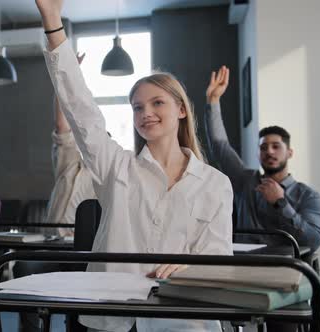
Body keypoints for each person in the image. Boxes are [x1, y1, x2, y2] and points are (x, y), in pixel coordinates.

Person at [34, 1, 234, 331]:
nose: (145, 113)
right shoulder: (116, 166)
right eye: (137, 107)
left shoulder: (214, 183)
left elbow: (217, 257)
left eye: (157, 103)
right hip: (113, 317)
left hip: (183, 318)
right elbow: (80, 110)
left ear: (181, 110)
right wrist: (53, 23)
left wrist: (190, 268)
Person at [204, 66, 320, 252]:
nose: (269, 151)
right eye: (263, 147)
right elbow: (220, 146)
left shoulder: (308, 195)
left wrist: (281, 203)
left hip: (284, 269)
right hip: (242, 265)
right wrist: (213, 101)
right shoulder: (246, 180)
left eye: (276, 146)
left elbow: (313, 240)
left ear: (289, 152)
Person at [45, 52, 97, 238]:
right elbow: (62, 124)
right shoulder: (71, 165)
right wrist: (65, 73)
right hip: (53, 241)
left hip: (86, 248)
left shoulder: (112, 176)